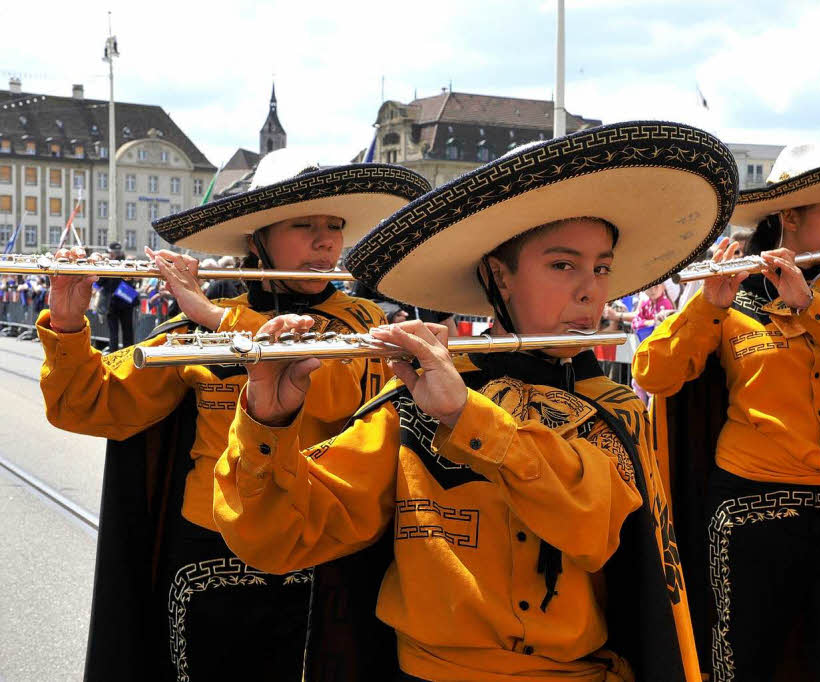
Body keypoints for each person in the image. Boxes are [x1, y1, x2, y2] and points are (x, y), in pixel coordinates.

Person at [214, 121, 740, 682]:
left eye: (602, 267)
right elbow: (280, 539)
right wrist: (266, 420)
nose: (591, 289)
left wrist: (468, 417)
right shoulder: (414, 398)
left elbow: (592, 527)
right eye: (563, 265)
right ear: (498, 274)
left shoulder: (614, 404)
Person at [37, 149, 431, 681]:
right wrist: (66, 325)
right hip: (205, 552)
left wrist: (220, 317)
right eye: (305, 225)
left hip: (316, 550)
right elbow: (95, 405)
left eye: (334, 226)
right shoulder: (195, 324)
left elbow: (342, 388)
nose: (326, 242)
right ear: (258, 239)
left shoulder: (359, 319)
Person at [634, 142, 820, 681]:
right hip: (750, 507)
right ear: (790, 217)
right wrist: (705, 306)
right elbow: (654, 373)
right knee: (744, 657)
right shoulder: (729, 299)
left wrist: (811, 308)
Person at [97, 241, 138, 350]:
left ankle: (117, 353)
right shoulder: (126, 263)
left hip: (117, 302)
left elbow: (99, 282)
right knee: (125, 331)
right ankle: (126, 354)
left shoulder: (110, 265)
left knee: (116, 332)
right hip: (124, 302)